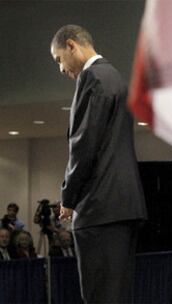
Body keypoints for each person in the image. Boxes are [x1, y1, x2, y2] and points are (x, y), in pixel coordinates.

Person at [50, 24, 147, 303]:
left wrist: (68, 197)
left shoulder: (92, 78)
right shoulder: (114, 76)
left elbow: (84, 146)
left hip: (100, 209)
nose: (60, 69)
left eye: (59, 59)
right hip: (121, 207)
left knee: (100, 296)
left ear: (71, 45)